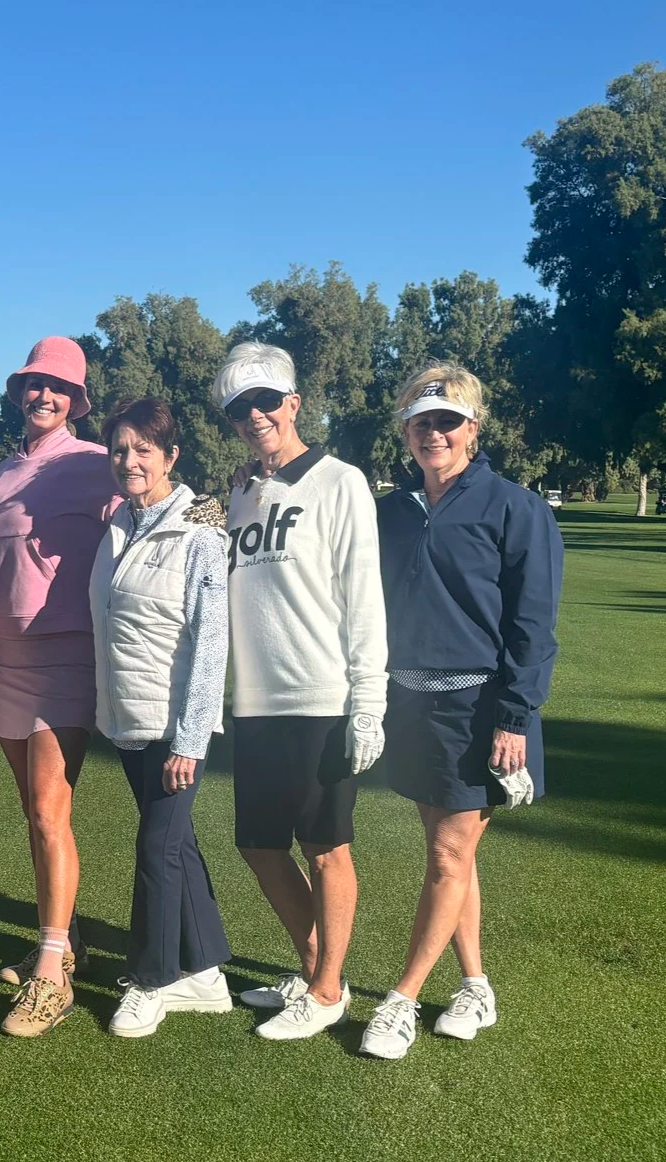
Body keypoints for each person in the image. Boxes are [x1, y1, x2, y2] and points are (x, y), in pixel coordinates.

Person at [359, 365, 563, 1059]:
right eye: (421, 420)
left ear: (474, 428)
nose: (434, 432)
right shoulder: (391, 510)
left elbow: (534, 625)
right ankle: (476, 984)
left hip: (483, 710)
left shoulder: (514, 507)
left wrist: (516, 715)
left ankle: (402, 998)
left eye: (448, 420)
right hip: (411, 706)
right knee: (450, 855)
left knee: (450, 854)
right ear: (406, 431)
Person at [215, 341, 388, 1042]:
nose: (254, 416)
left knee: (325, 850)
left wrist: (368, 702)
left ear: (293, 403)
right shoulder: (236, 492)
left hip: (321, 697)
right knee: (259, 846)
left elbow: (364, 596)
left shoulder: (340, 481)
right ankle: (319, 966)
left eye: (265, 401)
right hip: (252, 703)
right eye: (239, 408)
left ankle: (324, 992)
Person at [0, 336, 115, 1038]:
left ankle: (52, 976)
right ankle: (63, 938)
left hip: (71, 659)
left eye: (57, 388)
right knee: (34, 810)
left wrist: (203, 512)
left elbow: (152, 510)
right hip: (8, 659)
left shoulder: (97, 464)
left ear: (75, 400)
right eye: (34, 384)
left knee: (51, 810)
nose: (43, 396)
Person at [89, 398, 235, 1039]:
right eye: (120, 450)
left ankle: (151, 979)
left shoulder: (200, 536)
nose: (129, 461)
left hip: (178, 727)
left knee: (157, 849)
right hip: (130, 717)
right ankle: (204, 970)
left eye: (144, 450)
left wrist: (192, 737)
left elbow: (210, 641)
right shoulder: (119, 525)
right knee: (175, 843)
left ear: (171, 457)